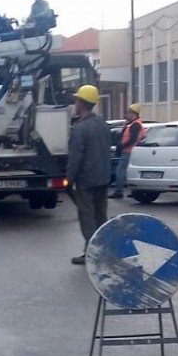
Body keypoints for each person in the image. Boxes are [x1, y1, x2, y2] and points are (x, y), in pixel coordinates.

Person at [67, 84, 112, 265]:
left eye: (76, 100)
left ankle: (91, 254)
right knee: (101, 216)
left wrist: (68, 180)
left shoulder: (80, 128)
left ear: (82, 103)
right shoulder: (102, 123)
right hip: (103, 178)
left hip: (86, 180)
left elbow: (75, 158)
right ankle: (105, 250)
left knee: (87, 217)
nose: (74, 103)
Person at [109, 104, 146, 199]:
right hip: (129, 150)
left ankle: (118, 191)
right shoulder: (131, 123)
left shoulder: (135, 124)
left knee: (120, 170)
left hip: (129, 151)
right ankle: (134, 191)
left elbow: (132, 139)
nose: (127, 114)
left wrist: (122, 146)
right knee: (127, 171)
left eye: (129, 112)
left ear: (134, 113)